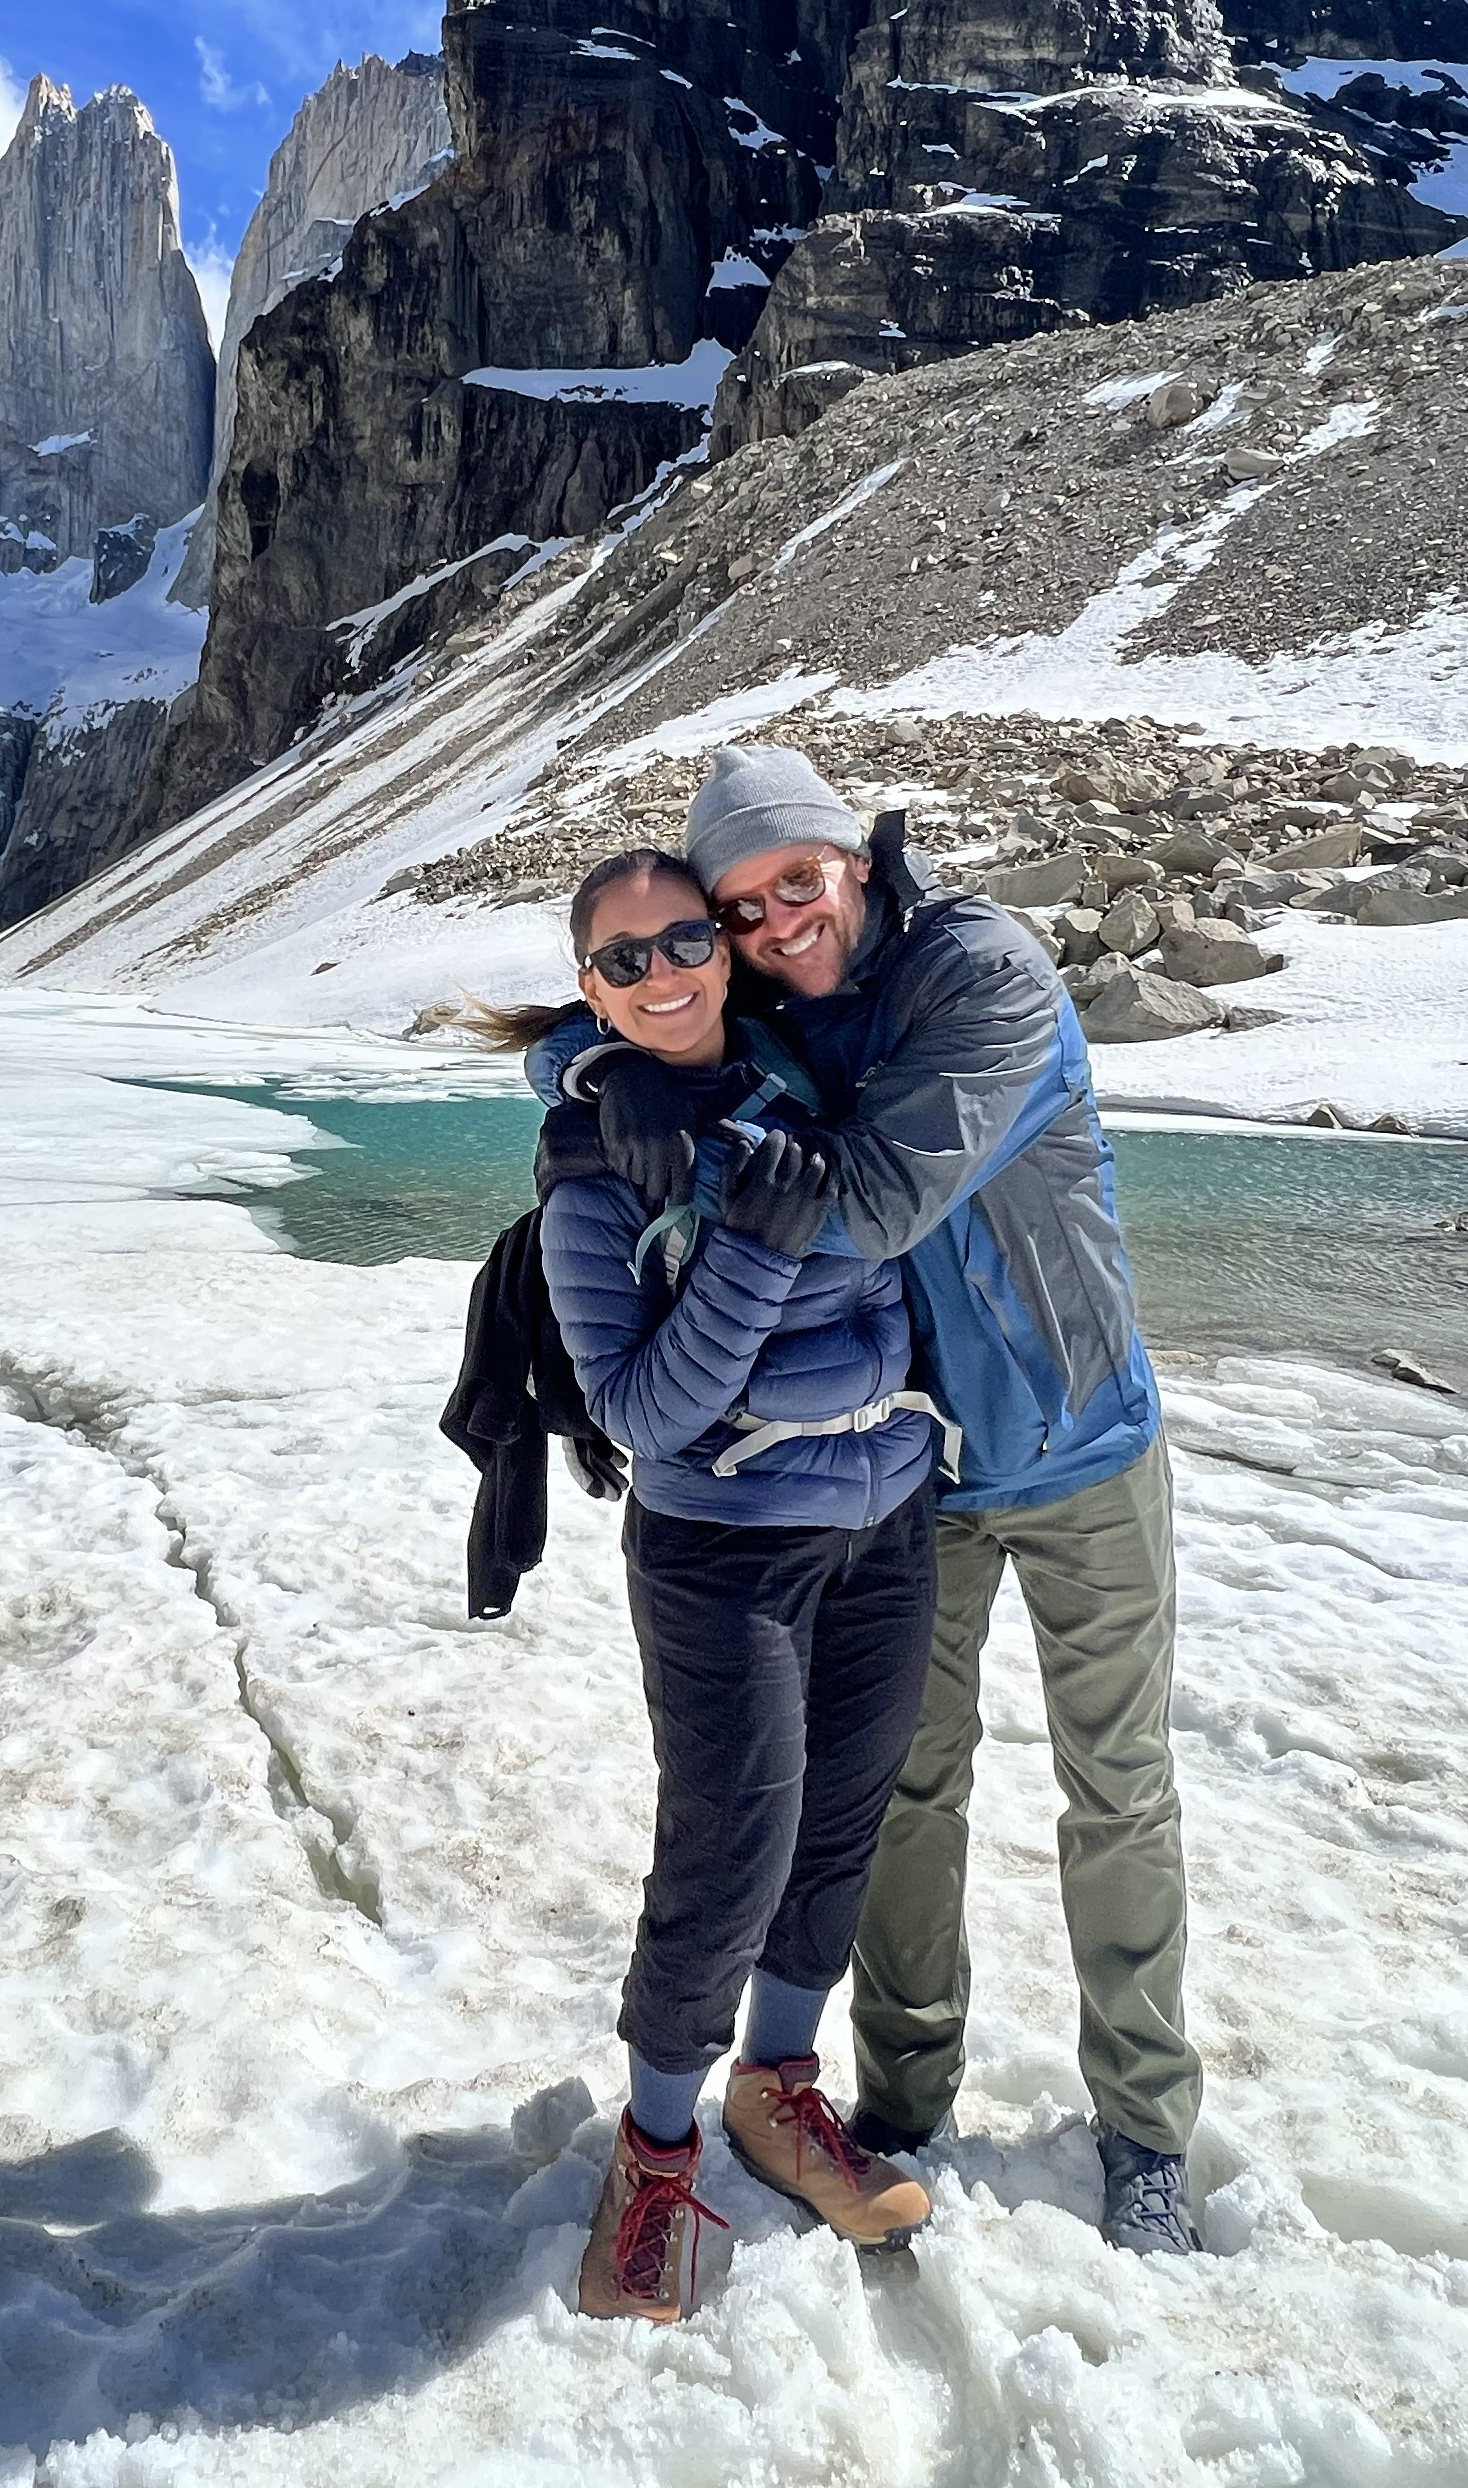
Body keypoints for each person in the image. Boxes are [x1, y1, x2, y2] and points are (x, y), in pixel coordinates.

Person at [634, 743, 1202, 2257]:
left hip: (1083, 1444)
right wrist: (586, 1084)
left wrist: (708, 1146)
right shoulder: (780, 1007)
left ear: (857, 863)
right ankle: (901, 2099)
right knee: (899, 1794)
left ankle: (1144, 2126)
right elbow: (642, 1026)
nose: (773, 928)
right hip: (921, 1476)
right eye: (741, 911)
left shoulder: (985, 972)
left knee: (1117, 1784)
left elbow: (883, 1197)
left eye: (795, 885)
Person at [503, 845, 947, 2325]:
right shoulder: (592, 1172)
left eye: (684, 940)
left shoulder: (795, 1072)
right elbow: (641, 1413)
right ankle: (655, 2154)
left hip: (885, 1521)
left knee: (841, 1820)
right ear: (589, 985)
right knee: (729, 1851)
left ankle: (779, 2083)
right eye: (623, 961)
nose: (664, 975)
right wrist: (749, 1259)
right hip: (725, 1554)